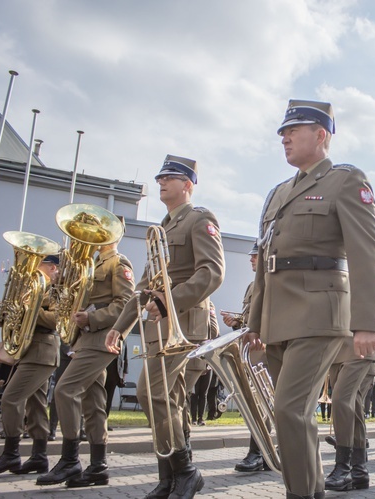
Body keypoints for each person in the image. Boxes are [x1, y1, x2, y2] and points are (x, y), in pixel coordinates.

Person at [244, 99, 375, 499]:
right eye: (283, 132)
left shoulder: (345, 180)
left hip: (320, 313)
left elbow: (367, 254)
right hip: (278, 317)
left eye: (294, 130)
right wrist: (255, 323)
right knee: (287, 414)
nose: (284, 137)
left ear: (321, 135)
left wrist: (368, 323)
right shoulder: (278, 193)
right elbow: (265, 263)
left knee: (290, 409)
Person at [106, 154, 225, 499]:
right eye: (159, 177)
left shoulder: (199, 219)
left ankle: (186, 471)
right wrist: (120, 326)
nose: (161, 181)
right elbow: (144, 288)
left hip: (187, 325)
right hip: (159, 328)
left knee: (151, 393)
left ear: (187, 185)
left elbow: (212, 273)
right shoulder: (161, 228)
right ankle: (170, 478)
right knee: (170, 400)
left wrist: (168, 301)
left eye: (170, 177)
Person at [37, 238, 134, 488]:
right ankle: (98, 466)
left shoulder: (117, 262)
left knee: (65, 390)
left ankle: (70, 460)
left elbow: (126, 304)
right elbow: (67, 303)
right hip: (85, 339)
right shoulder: (89, 265)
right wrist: (61, 286)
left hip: (102, 338)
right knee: (94, 403)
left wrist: (91, 317)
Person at [0, 254, 61, 476]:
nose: (33, 266)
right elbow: (15, 320)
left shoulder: (56, 290)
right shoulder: (31, 289)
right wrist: (5, 312)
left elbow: (56, 320)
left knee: (11, 398)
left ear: (51, 267)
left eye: (39, 263)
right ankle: (39, 457)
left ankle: (11, 454)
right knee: (36, 406)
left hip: (42, 351)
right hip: (28, 351)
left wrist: (28, 309)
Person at [324, 284, 375, 491]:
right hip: (336, 349)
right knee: (353, 406)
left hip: (360, 348)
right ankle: (359, 470)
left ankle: (343, 468)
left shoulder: (366, 267)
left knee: (341, 399)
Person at [225, 243, 271, 472]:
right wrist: (236, 324)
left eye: (254, 256)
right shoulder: (252, 286)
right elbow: (249, 321)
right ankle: (264, 453)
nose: (251, 260)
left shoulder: (273, 283)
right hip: (251, 353)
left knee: (263, 405)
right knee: (256, 405)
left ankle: (258, 453)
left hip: (268, 353)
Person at [189, 303, 218, 427]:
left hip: (207, 363)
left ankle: (201, 418)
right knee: (194, 393)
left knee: (203, 393)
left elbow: (215, 332)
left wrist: (212, 314)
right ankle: (193, 418)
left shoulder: (209, 328)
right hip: (194, 361)